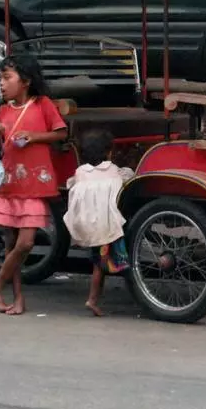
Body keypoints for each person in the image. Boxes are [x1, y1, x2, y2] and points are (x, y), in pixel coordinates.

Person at [0, 55, 68, 315]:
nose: (1, 83)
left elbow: (61, 133)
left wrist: (33, 137)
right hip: (9, 185)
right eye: (0, 78)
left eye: (7, 77)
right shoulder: (3, 111)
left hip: (33, 184)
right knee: (12, 245)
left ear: (26, 82)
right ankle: (17, 298)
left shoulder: (42, 105)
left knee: (26, 243)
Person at [63, 128, 134, 317]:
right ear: (109, 152)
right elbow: (127, 178)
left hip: (89, 225)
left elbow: (71, 185)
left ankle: (95, 298)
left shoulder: (81, 172)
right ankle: (93, 299)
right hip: (108, 225)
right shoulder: (112, 171)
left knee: (99, 263)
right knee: (105, 265)